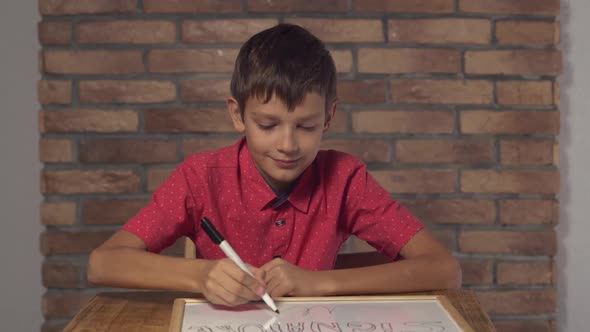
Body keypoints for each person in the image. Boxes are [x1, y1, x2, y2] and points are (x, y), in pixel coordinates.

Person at [87, 23, 461, 307]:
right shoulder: (200, 177)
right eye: (267, 125)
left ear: (329, 118)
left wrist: (319, 282)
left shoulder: (345, 178)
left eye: (307, 126)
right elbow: (103, 264)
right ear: (238, 114)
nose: (287, 145)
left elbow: (444, 269)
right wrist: (201, 275)